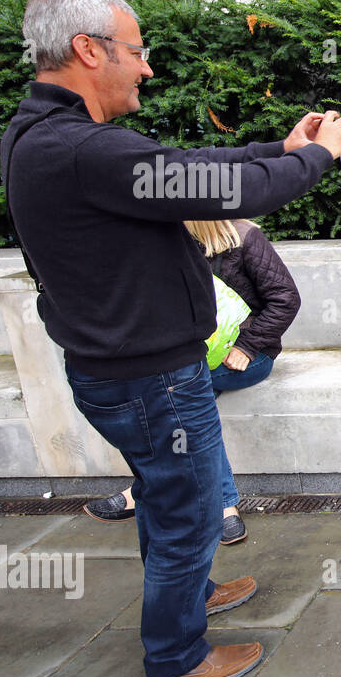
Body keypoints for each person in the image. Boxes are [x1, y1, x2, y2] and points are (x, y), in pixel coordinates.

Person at [1, 0, 341, 677]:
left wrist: (275, 146)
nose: (147, 68)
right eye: (136, 51)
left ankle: (191, 597)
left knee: (165, 501)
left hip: (117, 373)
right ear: (87, 50)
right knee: (189, 513)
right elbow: (230, 193)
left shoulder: (45, 139)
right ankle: (175, 658)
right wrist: (314, 158)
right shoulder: (81, 150)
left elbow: (190, 170)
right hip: (151, 379)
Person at [83, 217, 302, 546]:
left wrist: (247, 346)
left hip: (247, 356)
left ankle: (154, 489)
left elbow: (285, 299)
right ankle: (215, 504)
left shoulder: (244, 237)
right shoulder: (166, 245)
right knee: (178, 395)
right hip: (190, 355)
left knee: (183, 395)